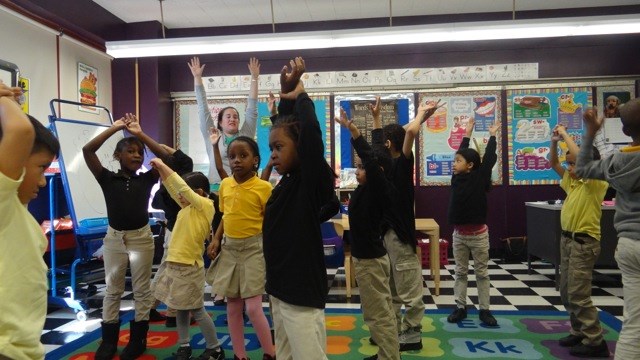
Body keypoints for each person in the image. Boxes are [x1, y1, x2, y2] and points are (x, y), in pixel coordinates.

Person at [262, 57, 335, 360]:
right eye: (271, 149)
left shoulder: (308, 181)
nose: (274, 154)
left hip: (301, 295)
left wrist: (301, 96)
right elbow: (287, 129)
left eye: (279, 148)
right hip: (280, 290)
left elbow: (310, 139)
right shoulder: (287, 182)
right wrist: (285, 98)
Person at [83, 113, 169, 360]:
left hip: (141, 238)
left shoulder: (147, 178)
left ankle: (138, 339)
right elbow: (88, 150)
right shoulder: (107, 178)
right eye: (130, 151)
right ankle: (108, 341)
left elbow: (165, 156)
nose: (136, 155)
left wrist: (140, 134)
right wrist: (115, 128)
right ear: (117, 156)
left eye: (139, 152)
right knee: (113, 289)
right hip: (114, 240)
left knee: (142, 290)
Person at [369, 97, 442, 351]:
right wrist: (377, 118)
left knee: (409, 289)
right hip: (388, 237)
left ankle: (412, 335)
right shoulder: (385, 167)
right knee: (390, 288)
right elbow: (379, 144)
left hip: (399, 238)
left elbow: (410, 131)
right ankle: (392, 331)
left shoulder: (402, 164)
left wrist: (421, 115)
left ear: (390, 144)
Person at [575, 102, 640, 360]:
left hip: (627, 244)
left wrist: (590, 133)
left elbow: (582, 169)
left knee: (633, 321)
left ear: (623, 129)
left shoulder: (616, 162)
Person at [0, 84, 60, 360]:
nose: (43, 180)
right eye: (40, 167)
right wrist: (4, 99)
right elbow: (22, 132)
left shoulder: (15, 208)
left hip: (22, 348)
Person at [335, 107, 400, 360]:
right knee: (377, 311)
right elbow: (377, 153)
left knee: (378, 314)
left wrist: (353, 131)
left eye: (361, 168)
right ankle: (387, 352)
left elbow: (373, 160)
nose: (358, 171)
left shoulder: (379, 188)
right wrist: (374, 122)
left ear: (376, 173)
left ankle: (390, 356)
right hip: (370, 259)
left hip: (371, 262)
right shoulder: (366, 187)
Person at [206, 135, 275, 360]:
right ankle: (239, 355)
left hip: (254, 248)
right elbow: (226, 215)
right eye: (232, 156)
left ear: (255, 160)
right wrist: (216, 239)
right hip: (230, 249)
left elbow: (269, 222)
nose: (237, 160)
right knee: (233, 307)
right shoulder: (225, 185)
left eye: (243, 156)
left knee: (253, 308)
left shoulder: (264, 188)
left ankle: (270, 353)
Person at [150, 158, 225, 360]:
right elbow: (175, 190)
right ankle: (184, 345)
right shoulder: (186, 209)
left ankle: (215, 348)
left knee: (197, 310)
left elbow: (181, 188)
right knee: (179, 309)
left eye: (185, 195)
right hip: (175, 264)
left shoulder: (205, 206)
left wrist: (164, 166)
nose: (180, 198)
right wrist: (161, 173)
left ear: (199, 192)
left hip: (189, 268)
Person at [548, 124, 610, 357]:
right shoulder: (572, 183)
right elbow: (554, 163)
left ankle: (595, 340)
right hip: (568, 241)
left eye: (573, 163)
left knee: (578, 293)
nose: (570, 168)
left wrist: (565, 134)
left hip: (584, 243)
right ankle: (578, 330)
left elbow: (584, 164)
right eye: (569, 163)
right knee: (566, 292)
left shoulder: (596, 182)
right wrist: (555, 142)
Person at [446, 117, 499, 327]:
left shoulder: (480, 176)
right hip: (459, 235)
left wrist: (493, 135)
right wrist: (467, 131)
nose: (454, 163)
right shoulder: (456, 178)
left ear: (470, 165)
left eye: (458, 161)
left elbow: (488, 159)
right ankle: (460, 307)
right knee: (460, 272)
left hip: (478, 236)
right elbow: (462, 149)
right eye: (455, 160)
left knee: (481, 273)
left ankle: (484, 310)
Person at [188, 57, 259, 189]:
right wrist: (197, 78)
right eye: (228, 116)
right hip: (216, 188)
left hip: (243, 187)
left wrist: (254, 78)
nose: (232, 119)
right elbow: (203, 108)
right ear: (220, 122)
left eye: (235, 117)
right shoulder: (213, 136)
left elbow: (252, 110)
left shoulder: (245, 136)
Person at [150, 144, 195, 326]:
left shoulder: (164, 186)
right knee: (175, 273)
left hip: (171, 232)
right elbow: (186, 161)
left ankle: (150, 308)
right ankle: (172, 314)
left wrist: (163, 149)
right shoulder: (178, 188)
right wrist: (166, 149)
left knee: (166, 271)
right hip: (178, 234)